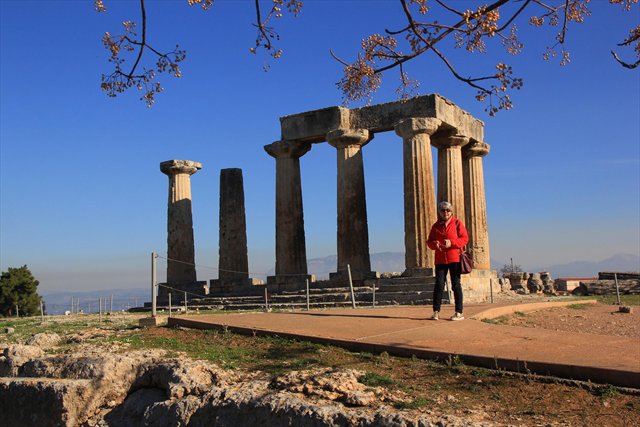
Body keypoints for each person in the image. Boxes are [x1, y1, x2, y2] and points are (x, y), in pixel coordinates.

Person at [427, 201, 469, 321]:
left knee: (456, 285)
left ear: (451, 212)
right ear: (439, 212)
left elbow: (465, 239)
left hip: (454, 258)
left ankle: (459, 312)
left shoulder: (457, 223)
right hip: (440, 259)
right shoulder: (435, 226)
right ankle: (436, 312)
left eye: (448, 210)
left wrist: (452, 243)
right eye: (443, 210)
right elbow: (429, 242)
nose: (445, 212)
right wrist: (435, 245)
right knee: (439, 285)